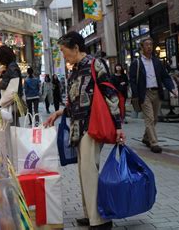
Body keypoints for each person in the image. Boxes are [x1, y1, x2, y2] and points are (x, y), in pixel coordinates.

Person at [44, 31, 125, 230]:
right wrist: (60, 113)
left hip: (93, 126)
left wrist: (118, 127)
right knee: (84, 172)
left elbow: (110, 95)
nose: (63, 56)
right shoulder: (75, 70)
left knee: (89, 171)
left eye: (64, 51)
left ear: (76, 48)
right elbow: (75, 102)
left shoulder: (95, 64)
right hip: (78, 128)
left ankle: (100, 220)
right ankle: (90, 214)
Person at [129, 37, 176, 154]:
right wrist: (136, 95)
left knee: (154, 119)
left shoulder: (157, 62)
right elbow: (133, 81)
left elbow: (165, 77)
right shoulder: (137, 63)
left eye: (151, 44)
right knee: (149, 118)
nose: (149, 47)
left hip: (157, 93)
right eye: (146, 45)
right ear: (142, 47)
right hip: (145, 93)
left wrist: (172, 89)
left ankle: (146, 138)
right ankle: (154, 143)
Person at [0, 45, 23, 126]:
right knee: (13, 126)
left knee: (12, 127)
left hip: (11, 103)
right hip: (12, 102)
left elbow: (9, 85)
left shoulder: (11, 67)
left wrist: (0, 81)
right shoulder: (11, 66)